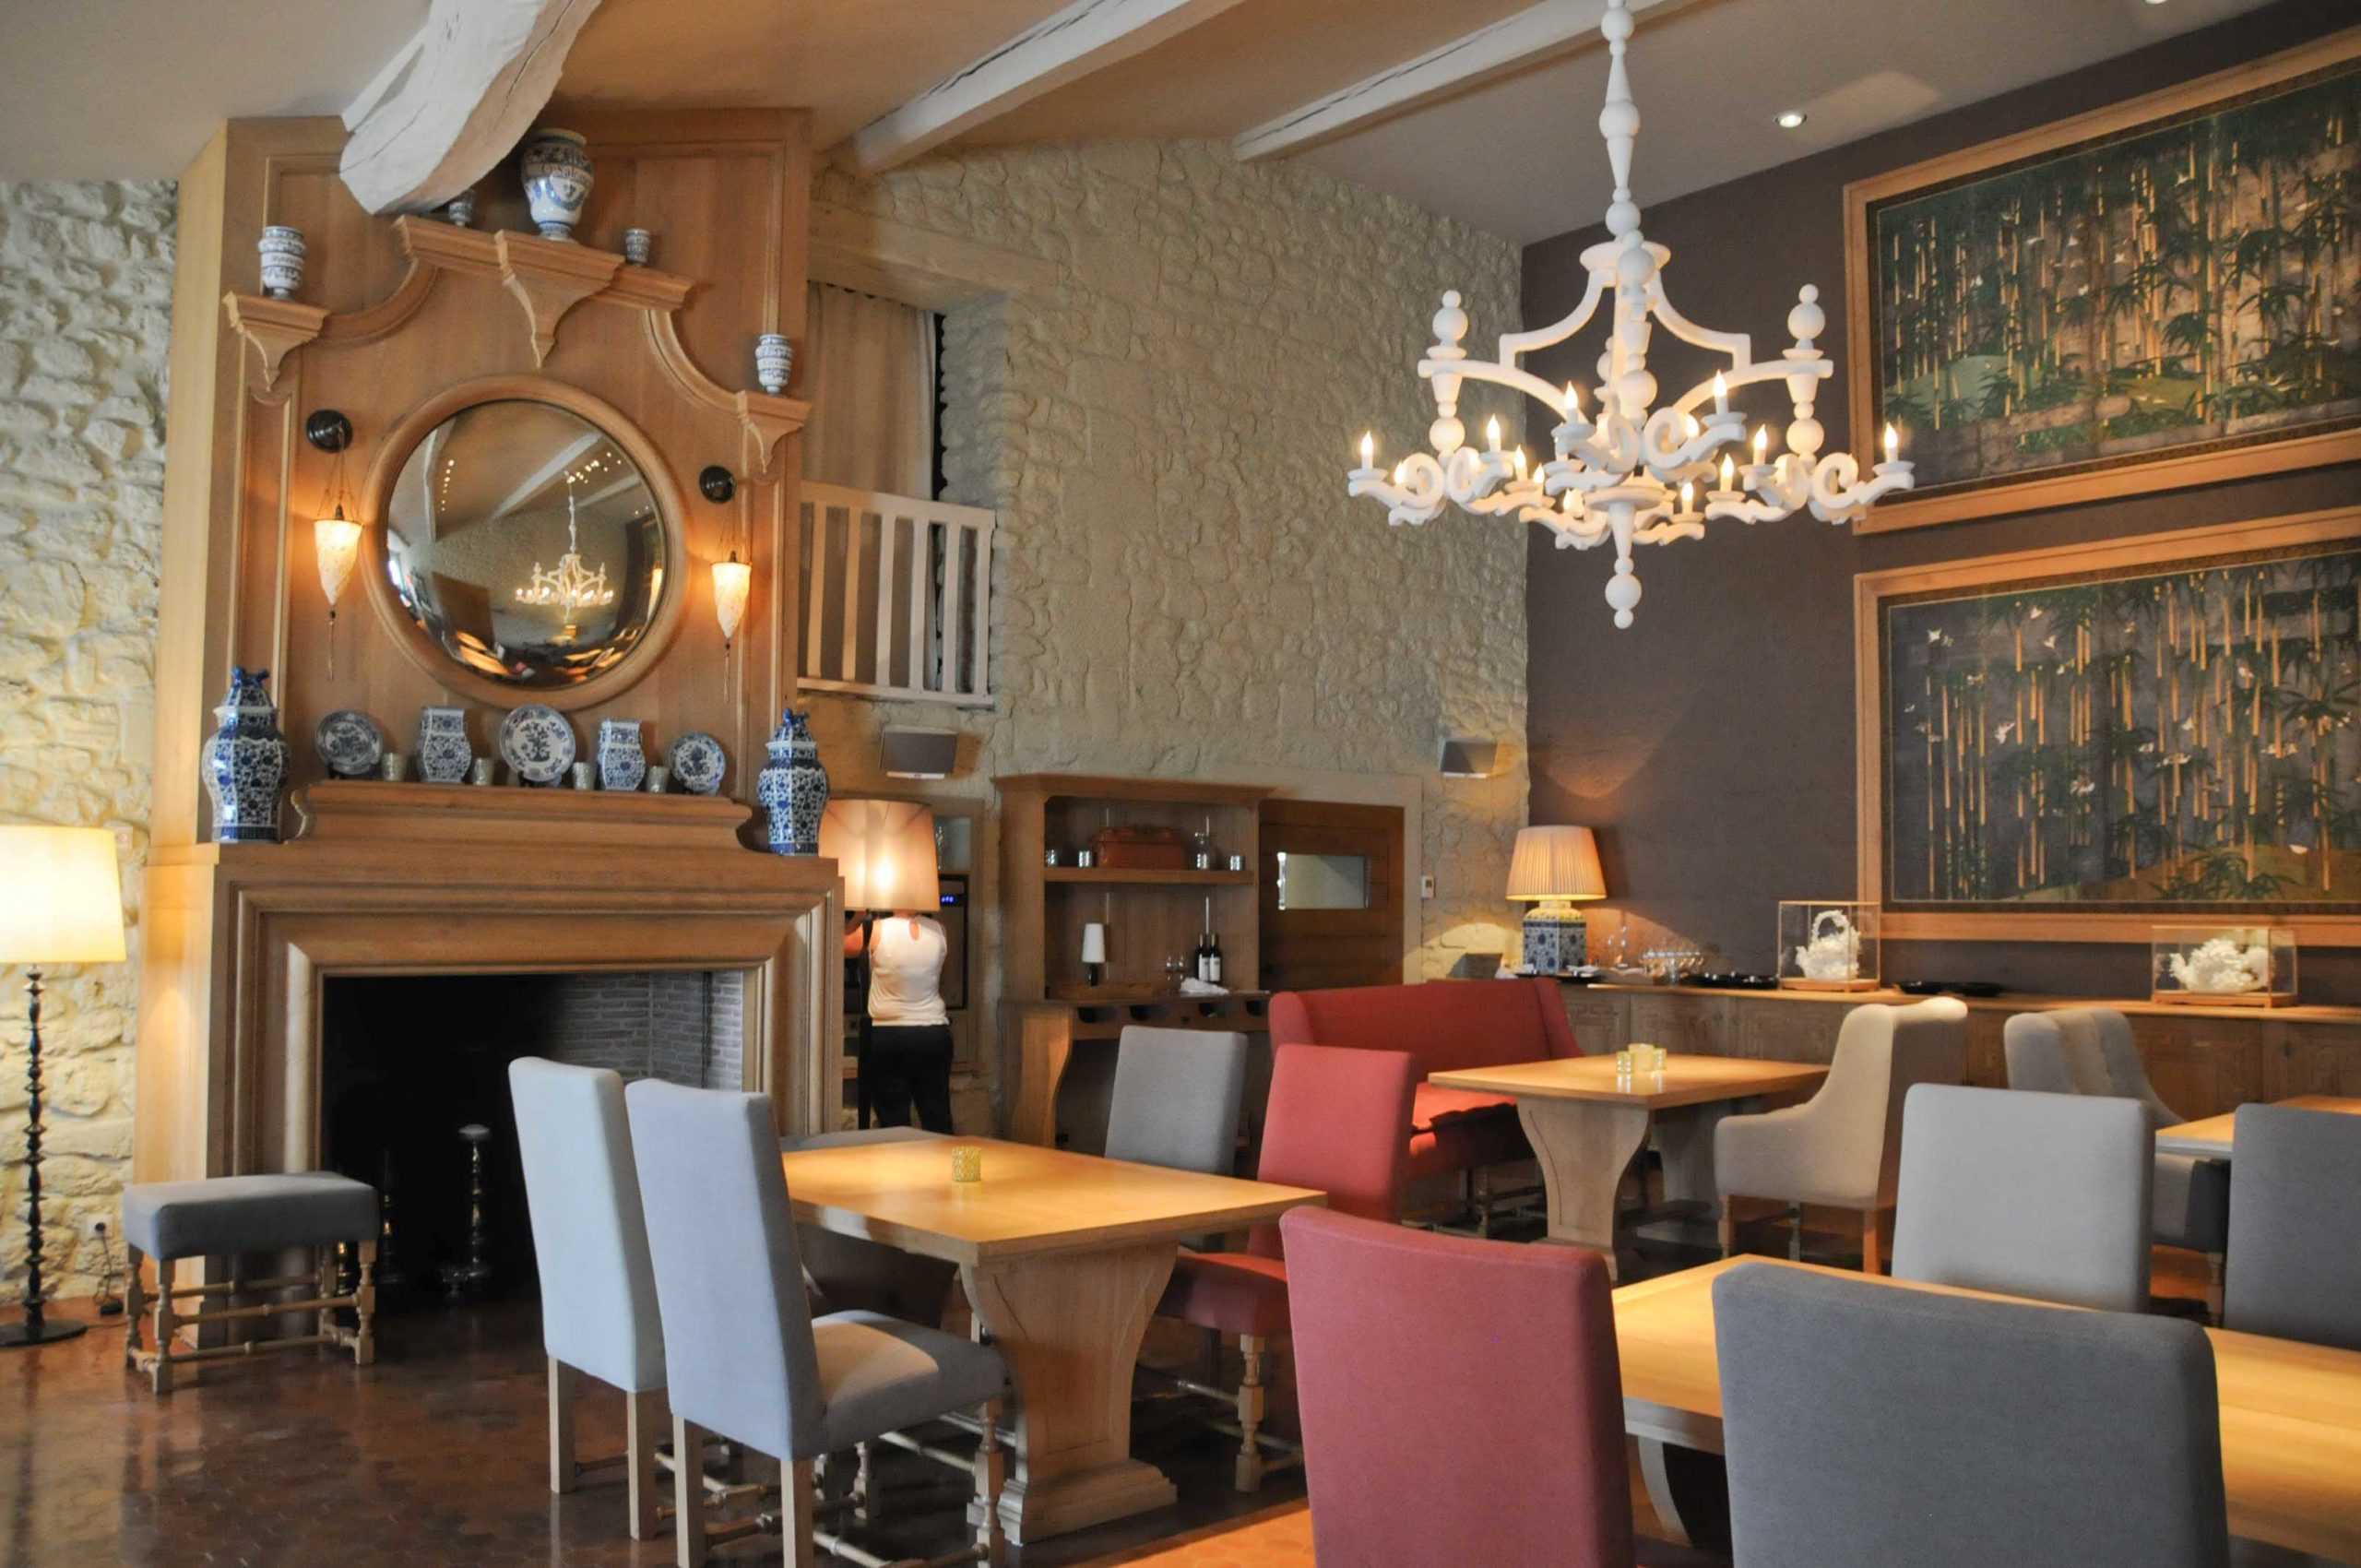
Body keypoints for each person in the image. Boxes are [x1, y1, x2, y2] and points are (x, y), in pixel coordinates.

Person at [850, 909, 953, 1133]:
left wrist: (858, 915)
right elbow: (943, 979)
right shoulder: (939, 931)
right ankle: (943, 1155)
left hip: (890, 1033)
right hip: (934, 1032)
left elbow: (839, 944)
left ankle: (899, 1155)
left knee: (893, 1121)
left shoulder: (877, 929)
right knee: (937, 1116)